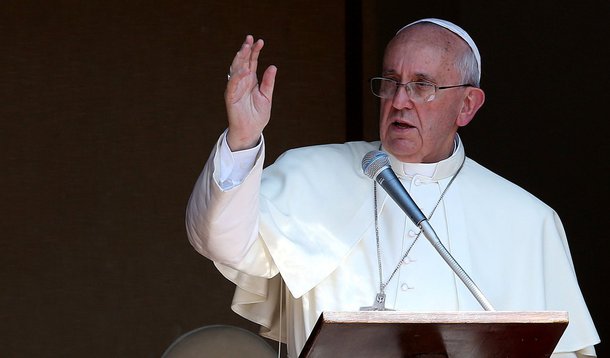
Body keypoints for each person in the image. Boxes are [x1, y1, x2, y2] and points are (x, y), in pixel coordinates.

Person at [185, 18, 600, 357]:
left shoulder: (528, 221)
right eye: (390, 81)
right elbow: (219, 241)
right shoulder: (311, 173)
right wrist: (241, 139)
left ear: (467, 105)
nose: (400, 100)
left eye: (422, 86)